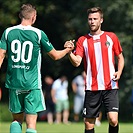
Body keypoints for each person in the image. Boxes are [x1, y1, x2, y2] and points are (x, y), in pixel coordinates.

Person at [0, 3, 74, 133]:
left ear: (19, 16)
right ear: (34, 17)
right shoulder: (38, 34)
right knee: (31, 124)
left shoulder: (8, 32)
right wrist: (68, 50)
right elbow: (55, 56)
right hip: (32, 84)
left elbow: (1, 56)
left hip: (14, 83)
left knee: (16, 120)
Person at [65, 7, 124, 133]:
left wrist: (119, 72)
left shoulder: (111, 37)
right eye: (90, 19)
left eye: (95, 19)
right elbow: (77, 62)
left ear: (101, 20)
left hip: (110, 86)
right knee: (88, 124)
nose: (92, 21)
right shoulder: (83, 40)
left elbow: (120, 57)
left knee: (113, 120)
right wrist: (69, 52)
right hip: (92, 87)